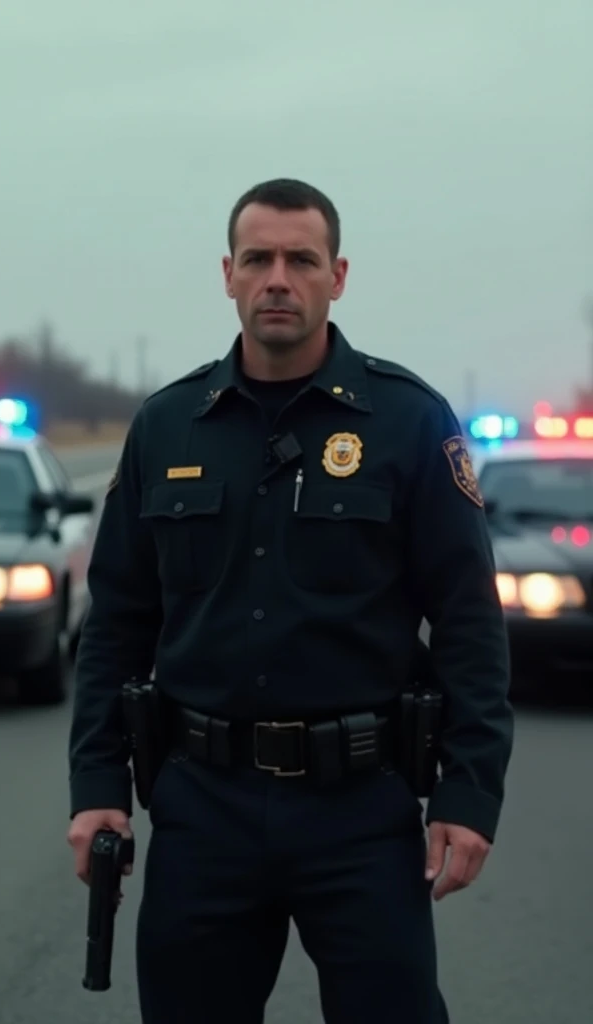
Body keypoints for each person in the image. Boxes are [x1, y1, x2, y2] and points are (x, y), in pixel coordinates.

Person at [67, 177, 514, 1023]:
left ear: (337, 276)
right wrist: (97, 785)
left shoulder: (409, 421)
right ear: (228, 275)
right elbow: (116, 623)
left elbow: (468, 623)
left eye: (301, 260)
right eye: (259, 258)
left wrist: (468, 794)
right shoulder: (167, 428)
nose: (279, 278)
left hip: (363, 811)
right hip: (204, 806)